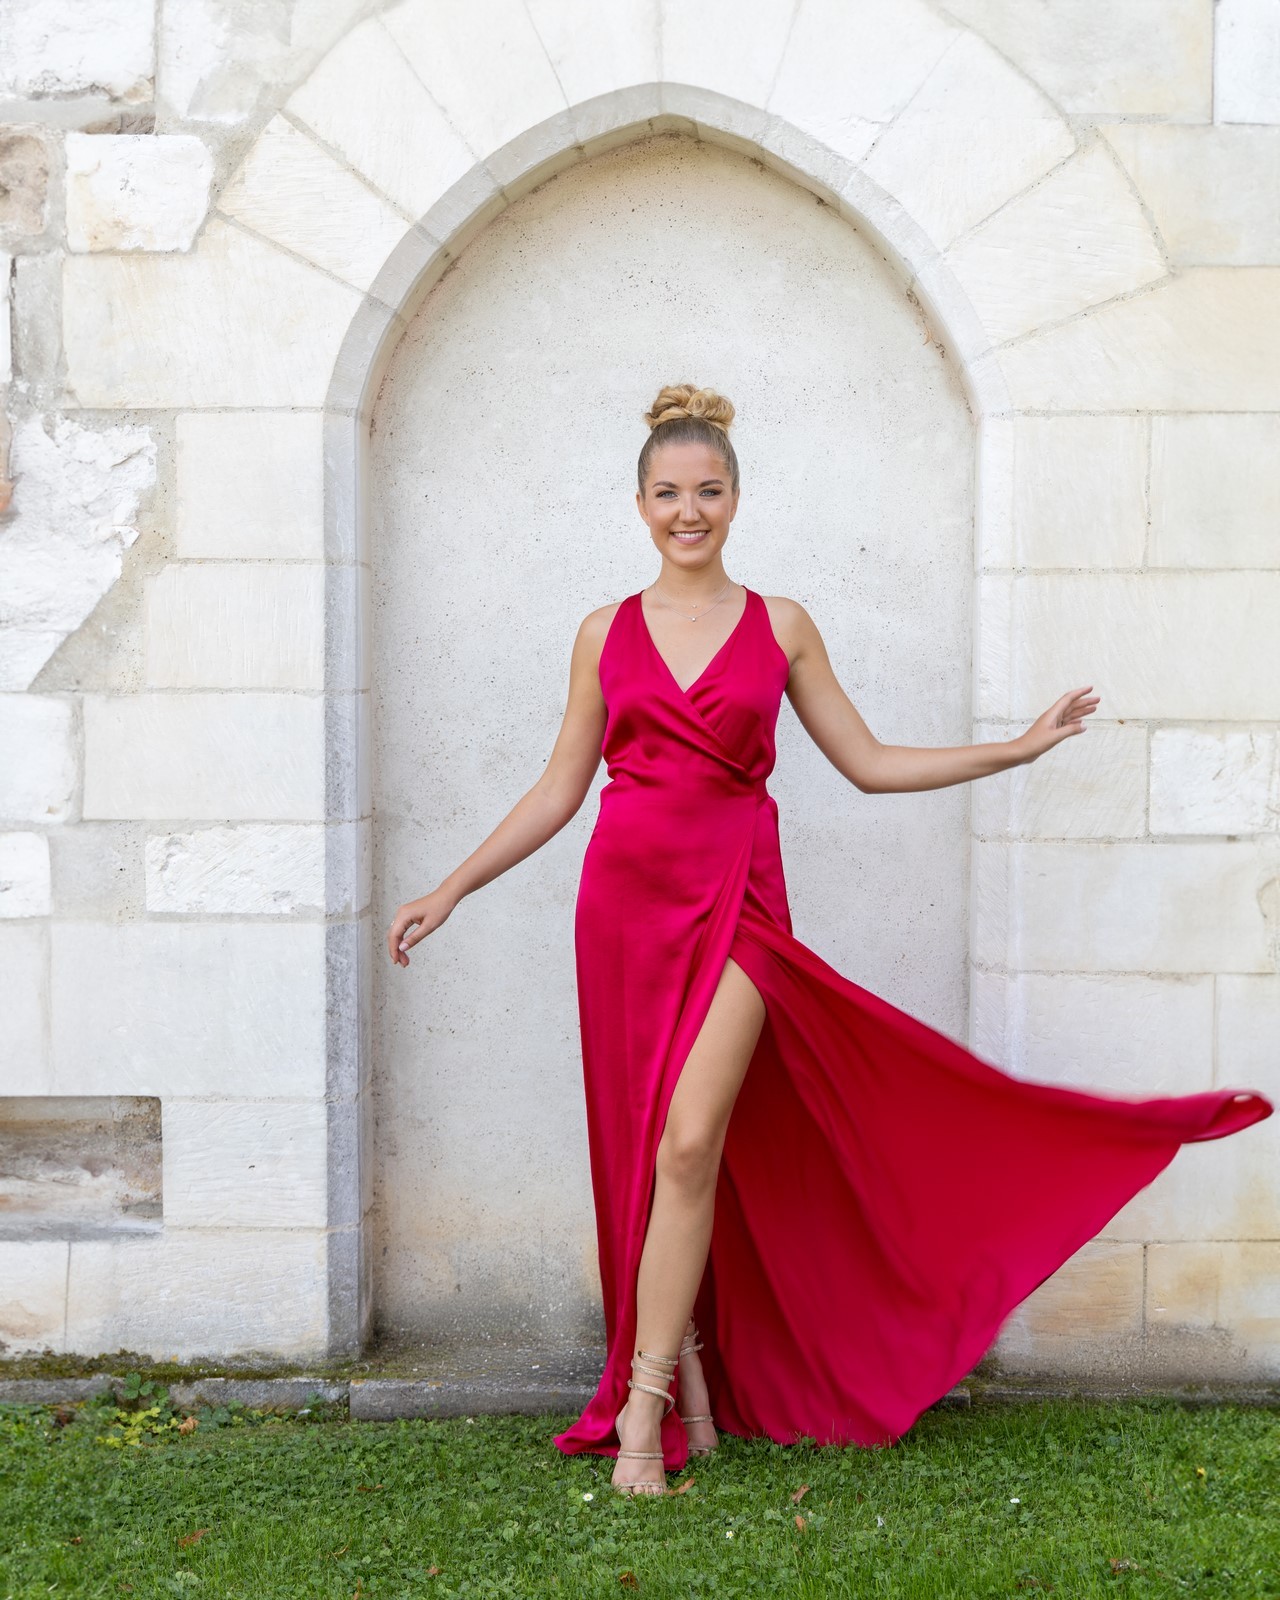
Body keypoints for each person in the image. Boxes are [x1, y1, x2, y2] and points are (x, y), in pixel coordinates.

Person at [386, 383, 1272, 1498]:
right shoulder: (602, 633)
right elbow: (560, 788)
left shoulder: (783, 625)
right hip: (622, 915)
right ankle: (687, 1377)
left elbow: (868, 761)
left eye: (708, 491)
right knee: (643, 1150)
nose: (688, 511)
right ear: (639, 503)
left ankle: (644, 1405)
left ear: (736, 499)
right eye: (668, 493)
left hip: (739, 907)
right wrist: (452, 886)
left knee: (688, 1145)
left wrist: (1013, 749)